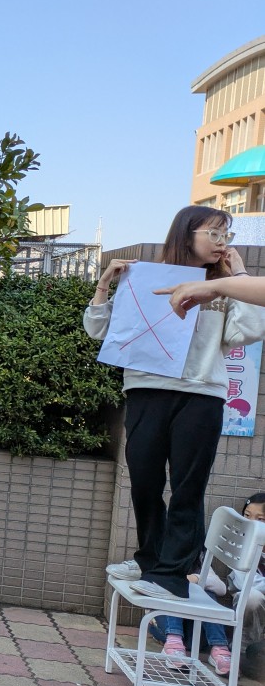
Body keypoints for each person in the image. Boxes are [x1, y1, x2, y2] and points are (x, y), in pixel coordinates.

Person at [85, 206, 265, 600]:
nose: (222, 243)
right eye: (214, 233)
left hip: (202, 394)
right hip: (146, 389)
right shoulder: (145, 277)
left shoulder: (221, 286)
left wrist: (238, 276)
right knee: (144, 481)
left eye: (226, 235)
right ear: (186, 233)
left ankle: (172, 575)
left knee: (188, 487)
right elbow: (101, 331)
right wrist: (104, 285)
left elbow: (249, 331)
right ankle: (150, 561)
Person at [230, 493, 265, 674]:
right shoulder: (238, 544)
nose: (253, 523)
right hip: (248, 602)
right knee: (252, 597)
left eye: (261, 519)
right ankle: (241, 651)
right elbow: (244, 582)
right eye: (247, 516)